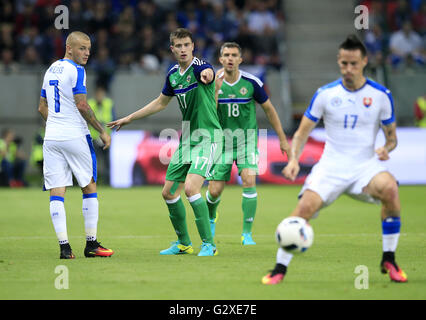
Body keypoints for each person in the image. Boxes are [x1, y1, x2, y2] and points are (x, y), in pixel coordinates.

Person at [262, 34, 407, 285]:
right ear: (338, 62)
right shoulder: (325, 94)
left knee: (391, 190)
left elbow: (392, 138)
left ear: (364, 62)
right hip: (330, 167)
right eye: (343, 63)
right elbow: (301, 133)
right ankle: (278, 270)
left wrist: (387, 148)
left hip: (365, 167)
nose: (348, 69)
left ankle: (389, 259)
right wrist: (294, 159)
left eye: (353, 63)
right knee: (303, 209)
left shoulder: (381, 95)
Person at [107, 28, 223, 257]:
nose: (183, 50)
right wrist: (130, 117)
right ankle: (183, 243)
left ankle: (209, 244)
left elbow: (208, 72)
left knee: (191, 188)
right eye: (178, 46)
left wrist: (209, 76)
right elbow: (160, 103)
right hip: (188, 139)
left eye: (186, 45)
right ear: (172, 49)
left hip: (209, 136)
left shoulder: (200, 67)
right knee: (169, 192)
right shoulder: (172, 75)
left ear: (193, 46)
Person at [38, 31, 114, 259]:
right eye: (82, 48)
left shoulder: (51, 69)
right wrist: (102, 131)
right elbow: (82, 105)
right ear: (69, 48)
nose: (87, 53)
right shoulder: (77, 70)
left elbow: (42, 108)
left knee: (57, 192)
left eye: (89, 49)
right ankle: (91, 245)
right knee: (89, 186)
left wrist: (56, 126)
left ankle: (65, 248)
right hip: (74, 136)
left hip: (51, 137)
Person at [206, 42, 291, 245]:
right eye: (226, 55)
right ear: (220, 59)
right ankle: (211, 218)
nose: (230, 58)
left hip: (246, 142)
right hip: (221, 143)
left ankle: (246, 233)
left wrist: (282, 139)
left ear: (240, 59)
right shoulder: (212, 83)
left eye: (234, 55)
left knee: (249, 180)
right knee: (215, 190)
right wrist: (216, 91)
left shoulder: (251, 83)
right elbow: (208, 112)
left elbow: (269, 109)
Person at [88, 84, 115, 184]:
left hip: (107, 137)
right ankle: (94, 181)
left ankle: (108, 181)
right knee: (94, 161)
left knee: (107, 161)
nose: (100, 96)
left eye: (101, 94)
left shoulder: (108, 103)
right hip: (94, 137)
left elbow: (114, 118)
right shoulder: (90, 103)